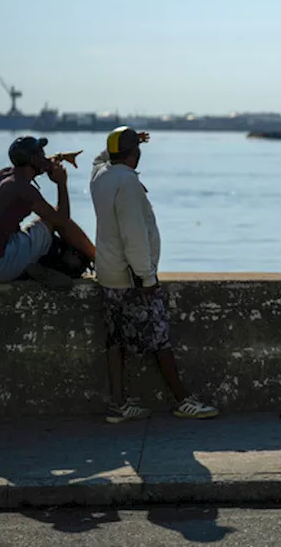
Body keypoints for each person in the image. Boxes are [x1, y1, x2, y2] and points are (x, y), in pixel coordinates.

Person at [90, 126, 219, 424]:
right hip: (131, 278)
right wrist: (147, 278)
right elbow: (133, 235)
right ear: (136, 153)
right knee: (159, 338)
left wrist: (120, 143)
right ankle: (183, 400)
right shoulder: (128, 184)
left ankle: (118, 405)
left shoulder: (100, 177)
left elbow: (99, 159)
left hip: (108, 274)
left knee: (115, 339)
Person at [0, 135, 96, 287]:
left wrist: (60, 157)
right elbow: (62, 219)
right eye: (41, 153)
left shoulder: (4, 175)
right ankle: (99, 260)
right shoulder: (25, 190)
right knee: (51, 221)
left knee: (41, 225)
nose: (45, 156)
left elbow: (31, 164)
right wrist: (61, 183)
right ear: (33, 159)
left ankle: (31, 266)